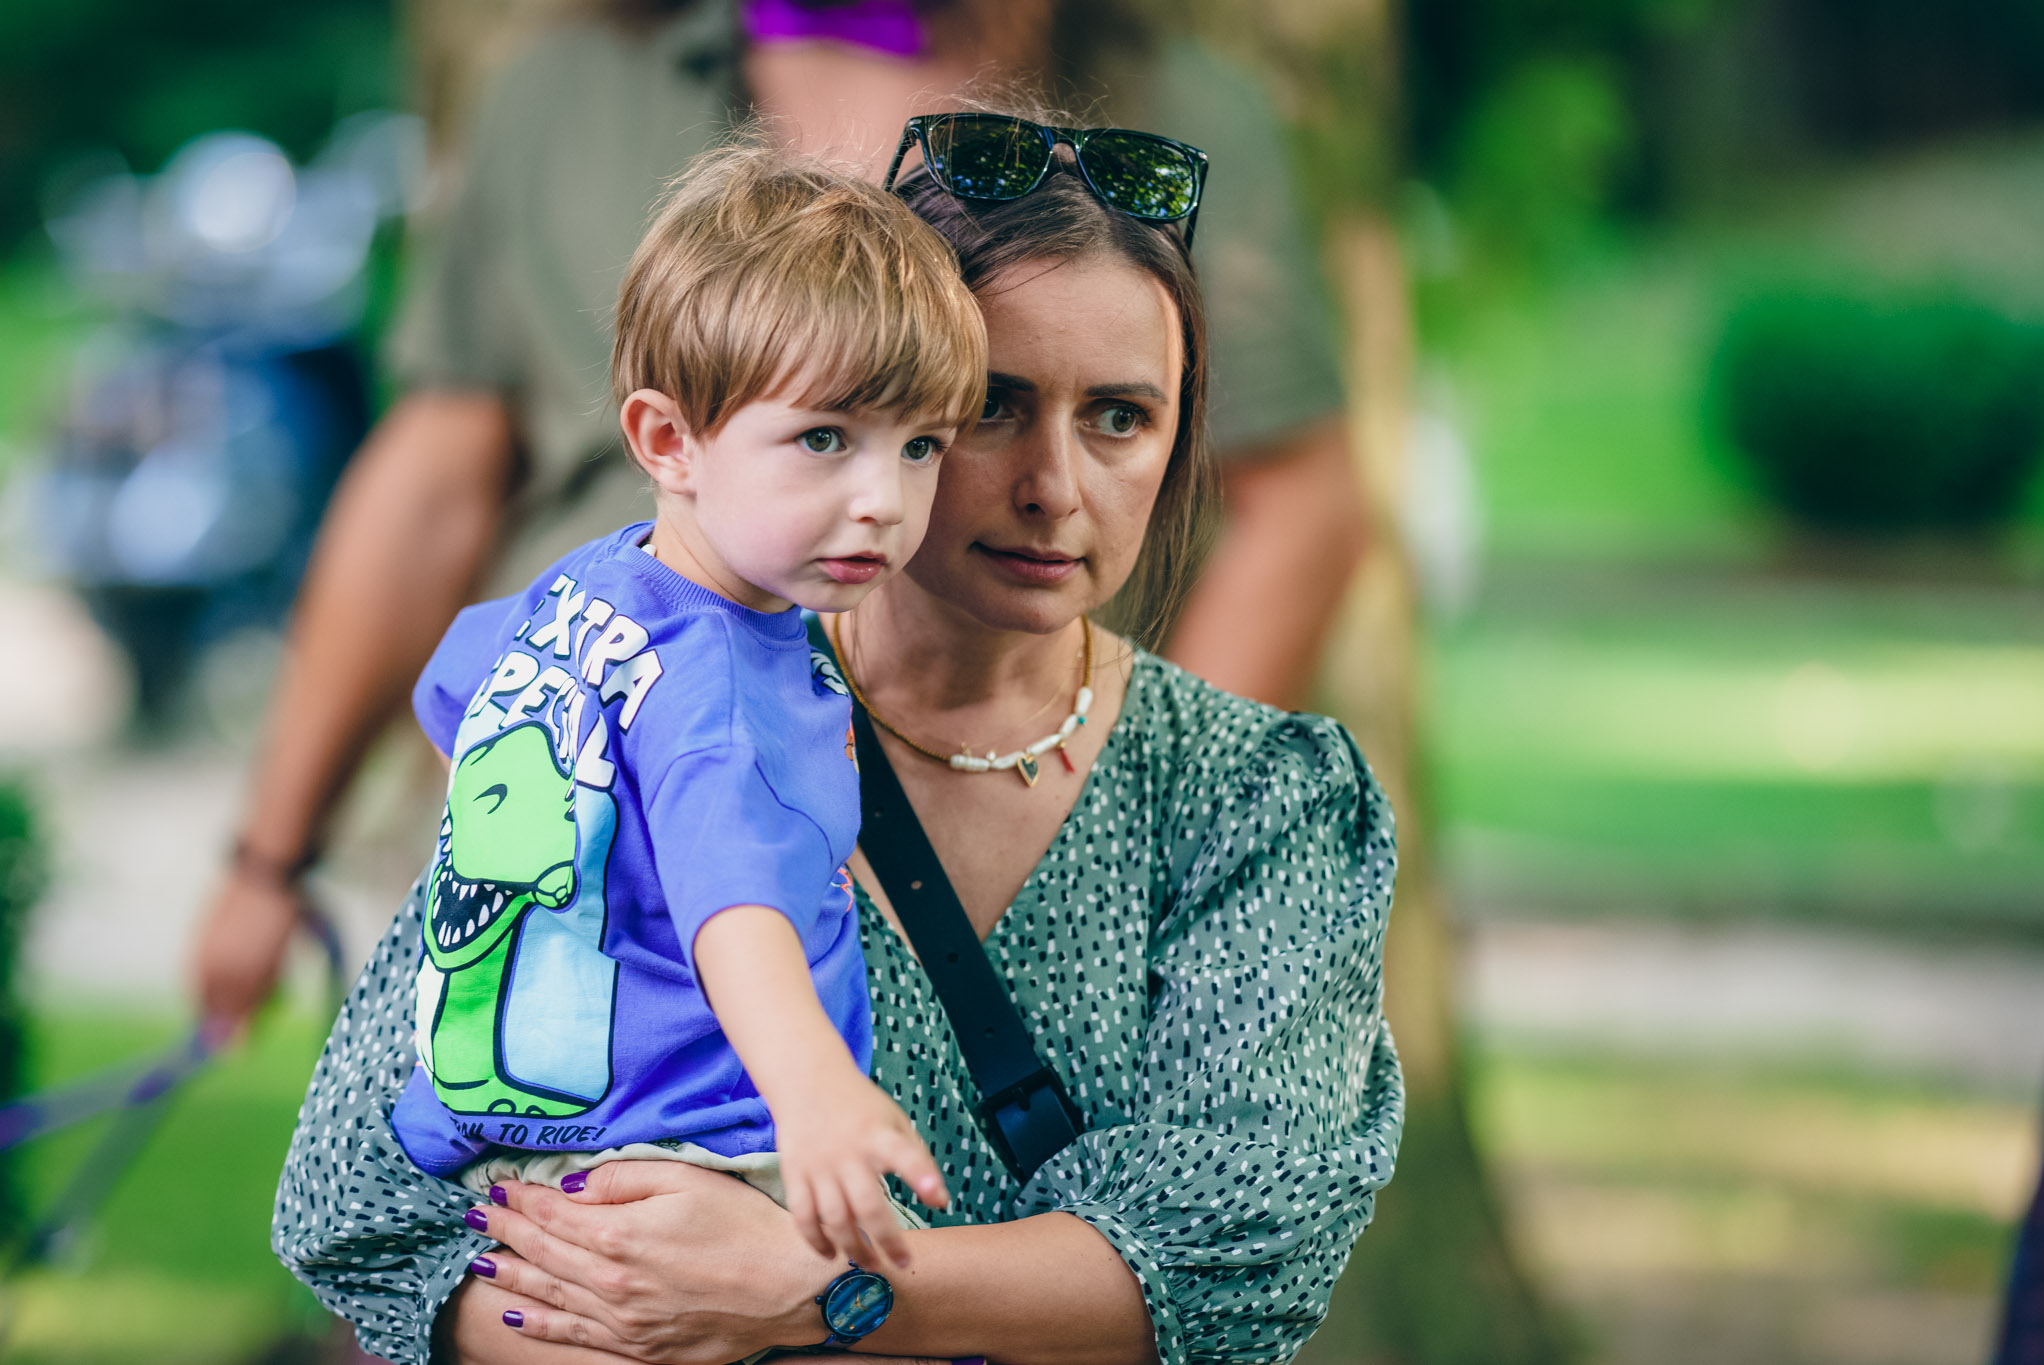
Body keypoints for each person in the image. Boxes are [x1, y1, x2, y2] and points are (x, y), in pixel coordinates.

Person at [274, 112, 1402, 1365]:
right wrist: (637, 1317)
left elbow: (1235, 1257)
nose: (1055, 485)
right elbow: (358, 1205)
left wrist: (815, 1292)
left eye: (1121, 417)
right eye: (990, 408)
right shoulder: (633, 691)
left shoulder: (1260, 798)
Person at [192, 0, 1365, 1037]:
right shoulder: (563, 87)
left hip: (961, 814)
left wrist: (1130, 823)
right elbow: (435, 478)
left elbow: (1301, 500)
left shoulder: (1170, 107)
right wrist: (268, 856)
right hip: (580, 809)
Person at [390, 145, 986, 1269]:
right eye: (824, 439)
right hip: (708, 1154)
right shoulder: (721, 687)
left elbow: (454, 688)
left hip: (514, 1129)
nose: (882, 500)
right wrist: (813, 1092)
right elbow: (733, 903)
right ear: (669, 441)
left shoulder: (585, 587)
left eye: (921, 447)